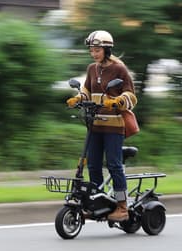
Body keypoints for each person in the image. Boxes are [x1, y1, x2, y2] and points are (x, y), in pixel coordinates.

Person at [66, 30, 137, 222]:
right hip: (95, 125)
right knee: (94, 165)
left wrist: (117, 102)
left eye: (97, 50)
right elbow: (88, 91)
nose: (93, 54)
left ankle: (122, 207)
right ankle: (98, 203)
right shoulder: (92, 68)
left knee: (114, 165)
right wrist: (78, 98)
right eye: (91, 50)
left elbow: (131, 96)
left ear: (106, 49)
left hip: (114, 126)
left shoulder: (119, 69)